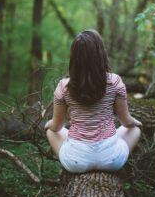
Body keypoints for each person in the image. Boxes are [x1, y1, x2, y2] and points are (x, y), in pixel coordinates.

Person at [45, 29, 142, 173]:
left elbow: (57, 127)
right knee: (135, 130)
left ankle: (79, 158)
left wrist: (49, 124)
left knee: (50, 132)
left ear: (74, 58)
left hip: (76, 161)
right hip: (112, 159)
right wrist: (135, 122)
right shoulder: (115, 82)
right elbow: (126, 122)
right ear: (100, 54)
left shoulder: (64, 86)